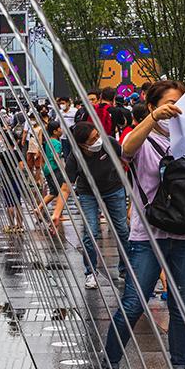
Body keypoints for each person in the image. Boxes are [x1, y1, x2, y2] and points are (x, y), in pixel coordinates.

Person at [99, 81, 185, 369]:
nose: (176, 110)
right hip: (148, 235)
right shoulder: (144, 138)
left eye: (180, 104)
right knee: (134, 302)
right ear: (153, 107)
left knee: (181, 305)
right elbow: (125, 150)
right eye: (169, 104)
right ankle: (108, 367)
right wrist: (152, 119)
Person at [51, 122, 129, 289]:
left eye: (97, 135)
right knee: (90, 233)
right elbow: (66, 187)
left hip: (114, 189)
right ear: (82, 144)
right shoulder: (75, 157)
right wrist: (56, 213)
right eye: (93, 139)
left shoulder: (108, 143)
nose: (98, 140)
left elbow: (128, 158)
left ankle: (125, 268)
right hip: (88, 194)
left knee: (122, 229)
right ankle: (91, 272)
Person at [36, 120, 63, 231]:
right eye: (60, 128)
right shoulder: (57, 143)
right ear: (55, 131)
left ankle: (39, 209)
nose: (61, 130)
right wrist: (63, 168)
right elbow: (56, 157)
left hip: (47, 168)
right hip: (54, 169)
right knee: (60, 191)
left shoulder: (48, 142)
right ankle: (57, 214)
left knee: (54, 191)